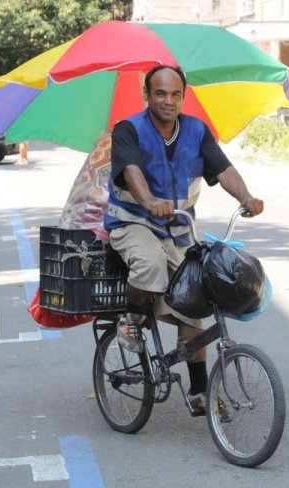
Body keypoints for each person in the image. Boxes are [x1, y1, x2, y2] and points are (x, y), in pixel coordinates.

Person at [105, 65, 264, 414]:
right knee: (150, 265)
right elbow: (131, 171)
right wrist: (148, 201)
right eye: (160, 93)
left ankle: (199, 390)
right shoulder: (128, 130)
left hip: (179, 230)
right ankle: (130, 320)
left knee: (199, 296)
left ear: (183, 96)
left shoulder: (196, 131)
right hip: (134, 222)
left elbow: (223, 169)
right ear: (147, 95)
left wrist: (245, 197)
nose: (168, 100)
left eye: (176, 94)